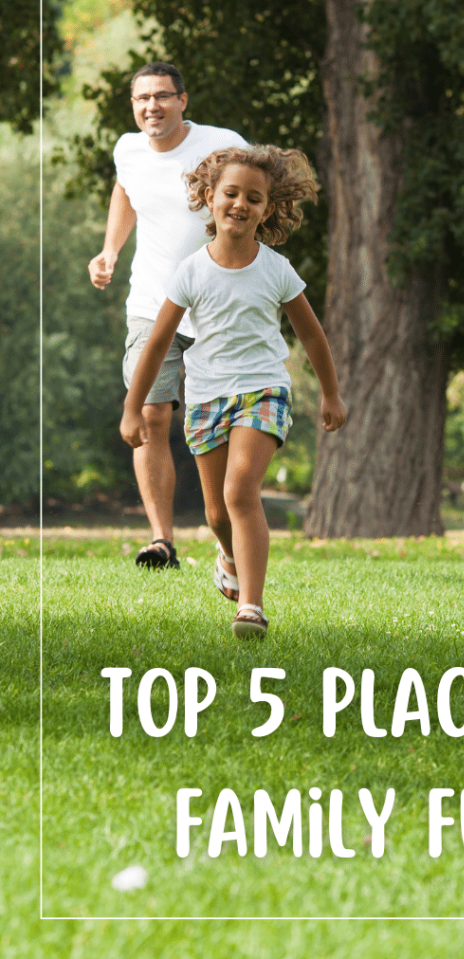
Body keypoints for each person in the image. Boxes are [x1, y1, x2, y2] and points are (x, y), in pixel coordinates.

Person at [120, 145, 347, 639]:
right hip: (205, 397)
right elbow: (156, 344)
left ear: (268, 209)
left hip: (263, 389)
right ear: (208, 198)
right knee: (217, 512)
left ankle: (251, 607)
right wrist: (132, 407)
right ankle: (226, 555)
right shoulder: (190, 272)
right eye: (230, 193)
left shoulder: (276, 269)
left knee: (240, 491)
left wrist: (330, 395)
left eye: (254, 197)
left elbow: (311, 335)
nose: (240, 204)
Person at [89, 61, 247, 570]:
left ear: (183, 101)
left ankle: (226, 536)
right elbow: (126, 191)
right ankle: (161, 541)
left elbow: (257, 198)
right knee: (151, 415)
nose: (151, 107)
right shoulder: (128, 149)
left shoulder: (223, 145)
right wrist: (110, 250)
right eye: (141, 99)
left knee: (216, 428)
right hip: (152, 305)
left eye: (161, 96)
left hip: (217, 306)